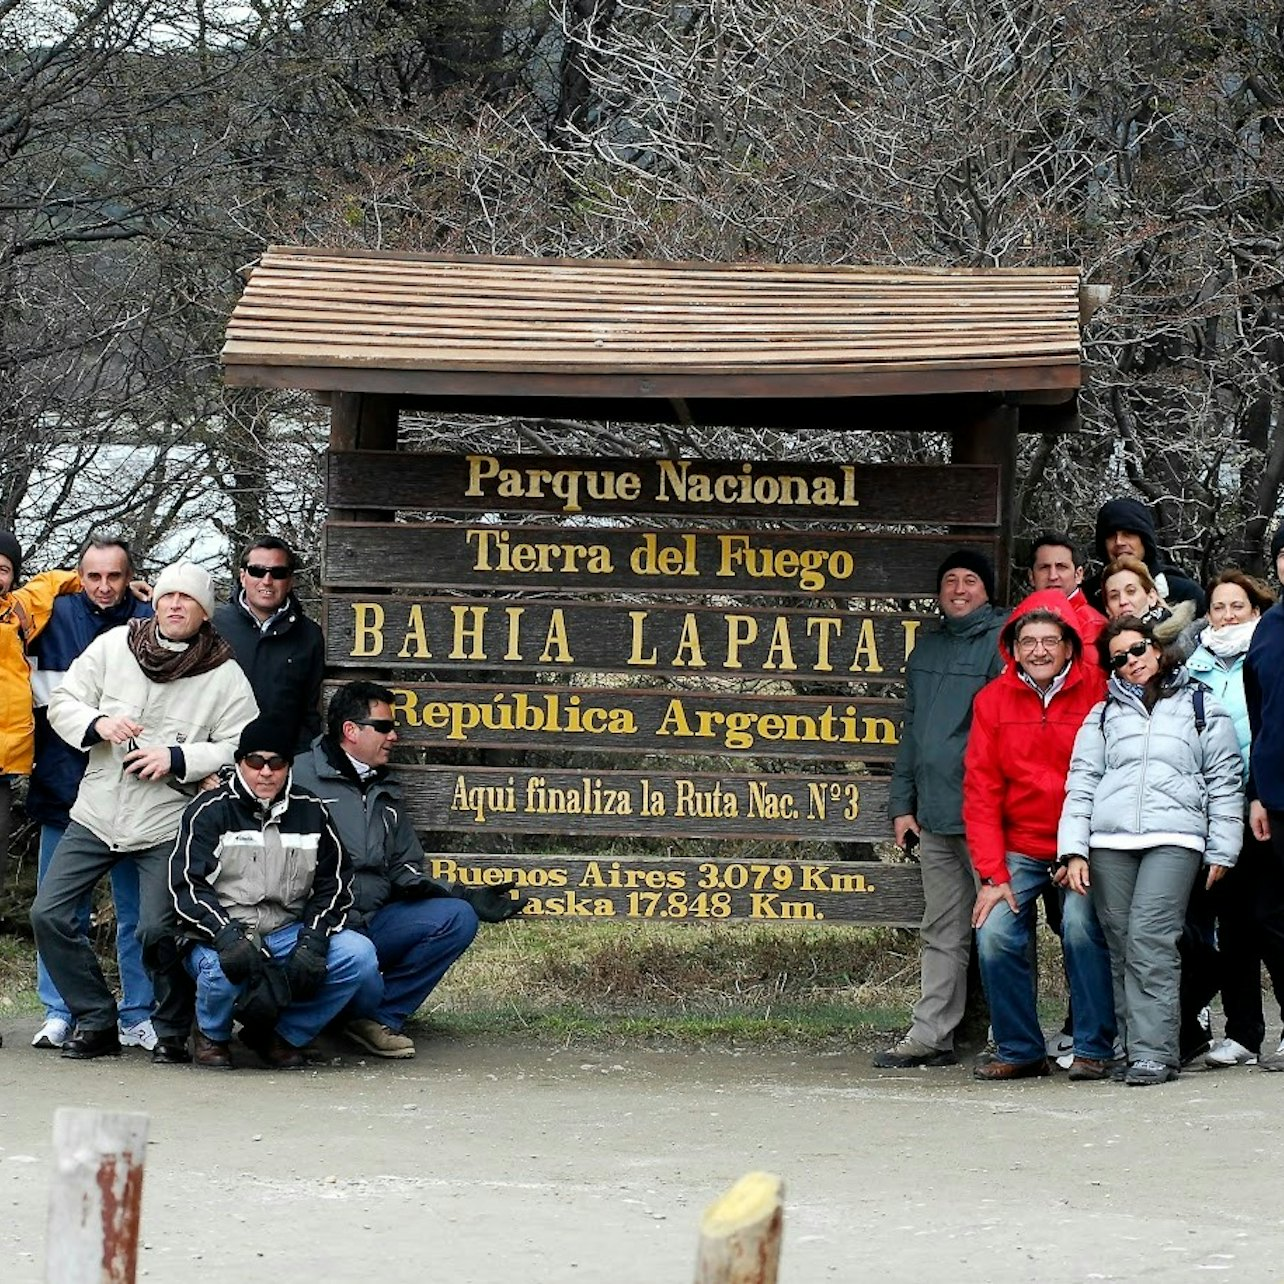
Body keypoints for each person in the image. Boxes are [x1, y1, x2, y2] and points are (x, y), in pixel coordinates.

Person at [30, 561, 258, 1061]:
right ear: (155, 603)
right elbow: (64, 701)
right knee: (48, 914)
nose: (176, 605)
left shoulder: (224, 673)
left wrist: (178, 758)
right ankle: (95, 1019)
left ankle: (170, 1029)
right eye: (168, 596)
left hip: (167, 819)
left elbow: (242, 744)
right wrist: (99, 724)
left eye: (188, 599)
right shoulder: (115, 645)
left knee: (158, 929)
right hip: (97, 811)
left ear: (204, 612)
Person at [292, 681, 525, 1059]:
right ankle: (310, 1019)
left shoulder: (384, 786)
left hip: (373, 920)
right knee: (353, 960)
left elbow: (405, 866)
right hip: (318, 924)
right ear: (351, 730)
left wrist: (465, 896)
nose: (394, 736)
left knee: (457, 918)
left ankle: (377, 1019)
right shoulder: (298, 777)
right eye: (384, 727)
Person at [1059, 616, 1243, 1085]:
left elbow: (1224, 778)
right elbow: (1082, 783)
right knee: (1121, 944)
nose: (1132, 662)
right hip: (1110, 842)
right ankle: (1132, 1047)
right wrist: (1073, 850)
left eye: (1138, 649)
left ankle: (1156, 1052)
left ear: (1157, 648)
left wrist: (1223, 846)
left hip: (1175, 837)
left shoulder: (1201, 702)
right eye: (1119, 658)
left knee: (1151, 937)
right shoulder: (1102, 714)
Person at [169, 716, 381, 1069]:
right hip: (219, 931)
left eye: (276, 762)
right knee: (221, 971)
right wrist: (225, 935)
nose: (265, 772)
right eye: (255, 762)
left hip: (287, 929)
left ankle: (282, 1034)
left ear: (288, 766)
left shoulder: (311, 809)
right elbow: (186, 886)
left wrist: (314, 938)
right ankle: (211, 1034)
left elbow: (335, 883)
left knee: (359, 956)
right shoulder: (208, 810)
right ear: (240, 763)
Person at [964, 592, 1116, 1081]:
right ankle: (1020, 1049)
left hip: (1085, 843)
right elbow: (981, 790)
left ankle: (1093, 1047)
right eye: (1028, 641)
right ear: (1012, 647)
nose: (1039, 650)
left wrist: (1083, 847)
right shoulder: (992, 700)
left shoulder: (1100, 691)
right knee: (994, 932)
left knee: (1081, 928)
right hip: (1020, 845)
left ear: (1069, 646)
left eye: (1050, 640)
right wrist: (992, 874)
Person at [874, 550, 1006, 1069]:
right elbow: (912, 732)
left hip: (986, 816)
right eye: (950, 580)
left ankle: (1012, 1037)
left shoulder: (1003, 644)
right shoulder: (925, 649)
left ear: (986, 591)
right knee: (942, 930)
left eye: (970, 580)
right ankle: (931, 1035)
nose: (959, 589)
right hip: (933, 816)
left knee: (1001, 931)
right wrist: (902, 804)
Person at [27, 535, 156, 1051]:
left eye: (115, 576)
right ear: (78, 577)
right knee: (60, 911)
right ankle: (61, 1011)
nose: (104, 586)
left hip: (135, 791)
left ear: (130, 577)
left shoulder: (151, 617)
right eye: (93, 576)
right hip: (63, 786)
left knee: (137, 915)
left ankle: (139, 1013)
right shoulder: (49, 616)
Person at [1188, 570, 1284, 1067]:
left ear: (1256, 610)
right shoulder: (1192, 668)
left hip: (1264, 800)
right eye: (1218, 607)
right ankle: (1243, 1032)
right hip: (1215, 809)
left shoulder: (1268, 649)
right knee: (1232, 925)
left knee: (1272, 917)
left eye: (1237, 606)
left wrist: (1258, 792)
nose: (1227, 616)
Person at [0, 530, 79, 919]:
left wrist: (118, 585)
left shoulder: (18, 609)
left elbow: (53, 582)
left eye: (3, 569)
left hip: (3, 764)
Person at [213, 536, 324, 751]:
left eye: (278, 573)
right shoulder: (213, 626)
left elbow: (309, 713)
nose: (267, 580)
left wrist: (299, 761)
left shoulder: (309, 635)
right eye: (257, 571)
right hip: (220, 755)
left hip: (282, 761)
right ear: (243, 576)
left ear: (290, 581)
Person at [1244, 523, 1284, 1069]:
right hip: (1276, 793)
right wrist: (1255, 794)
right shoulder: (1268, 629)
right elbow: (1258, 720)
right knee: (1270, 913)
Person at [1092, 498, 1206, 614]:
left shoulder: (1185, 594)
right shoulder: (1089, 597)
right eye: (1111, 536)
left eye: (1128, 534)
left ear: (1145, 540)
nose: (1119, 542)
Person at [1029, 531, 1106, 647]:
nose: (1053, 576)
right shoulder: (1019, 619)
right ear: (1031, 576)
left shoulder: (1092, 624)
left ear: (1078, 575)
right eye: (1044, 567)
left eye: (1061, 567)